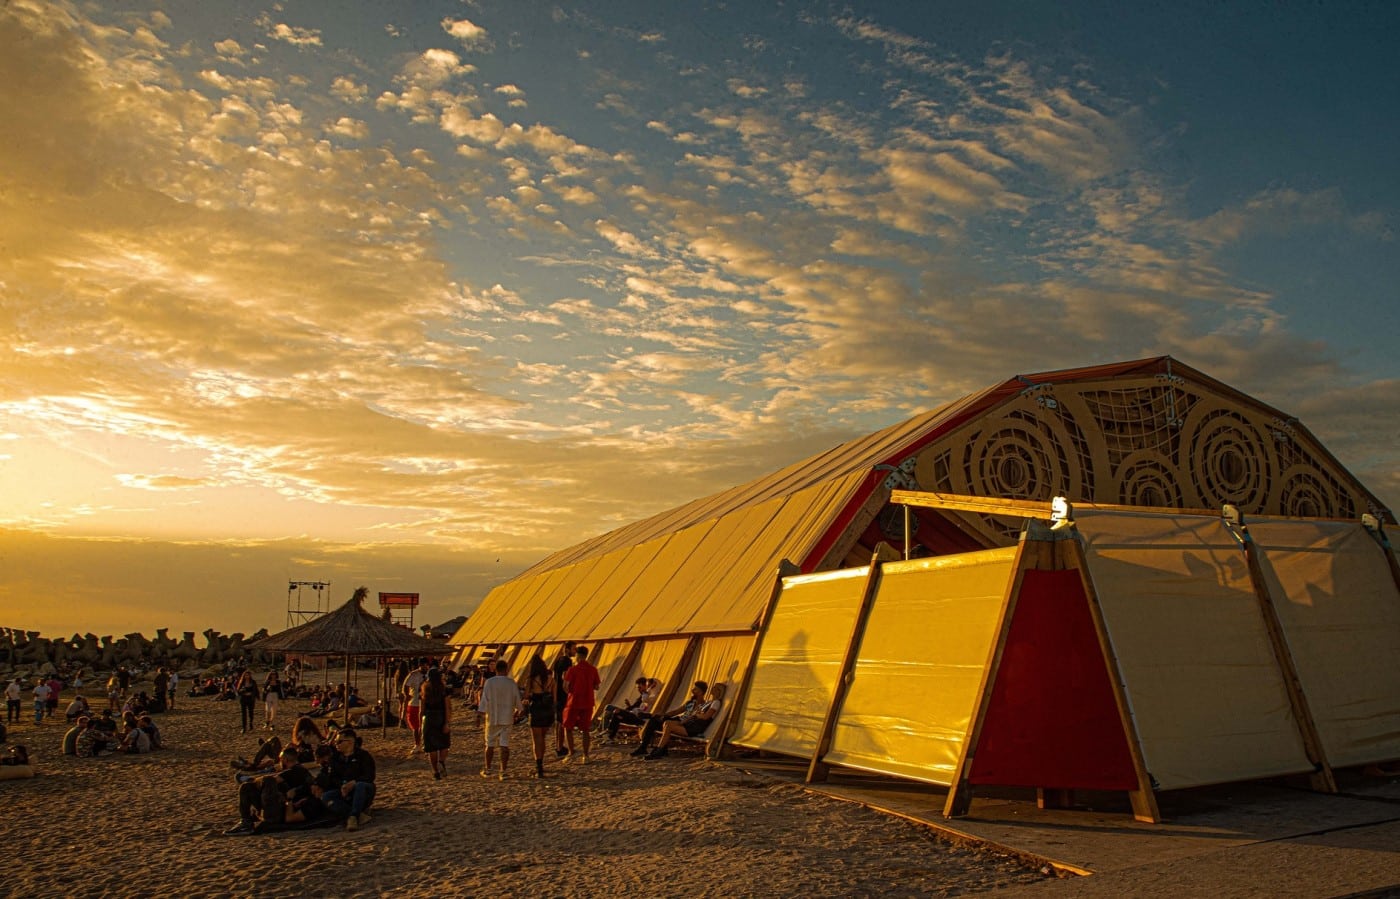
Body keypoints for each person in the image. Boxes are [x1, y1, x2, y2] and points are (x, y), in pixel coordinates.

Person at [225, 747, 314, 835]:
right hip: (286, 807)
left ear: (285, 760)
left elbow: (273, 779)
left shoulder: (294, 771)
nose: (279, 762)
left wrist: (253, 780)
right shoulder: (301, 770)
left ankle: (246, 822)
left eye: (281, 759)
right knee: (257, 783)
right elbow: (277, 776)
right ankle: (246, 821)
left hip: (282, 812)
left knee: (254, 785)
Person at [644, 682, 726, 759]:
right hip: (691, 724)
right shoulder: (709, 702)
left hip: (695, 728)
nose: (712, 688)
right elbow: (693, 713)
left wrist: (696, 714)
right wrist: (687, 719)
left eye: (715, 688)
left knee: (668, 726)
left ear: (719, 692)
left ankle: (659, 750)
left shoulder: (716, 703)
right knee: (666, 722)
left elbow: (705, 717)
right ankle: (660, 749)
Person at [318, 728, 376, 831]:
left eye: (339, 741)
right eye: (335, 741)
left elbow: (369, 776)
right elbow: (332, 777)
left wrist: (353, 783)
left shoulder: (363, 756)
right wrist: (342, 786)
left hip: (361, 790)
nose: (336, 744)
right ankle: (355, 814)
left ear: (350, 742)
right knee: (326, 796)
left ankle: (353, 816)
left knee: (360, 785)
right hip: (343, 790)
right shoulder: (335, 758)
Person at [631, 681, 708, 757]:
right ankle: (644, 747)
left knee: (663, 722)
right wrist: (663, 715)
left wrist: (679, 721)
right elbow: (676, 711)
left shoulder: (702, 706)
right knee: (654, 721)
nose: (692, 690)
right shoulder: (690, 703)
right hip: (678, 720)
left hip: (684, 724)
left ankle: (658, 749)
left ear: (701, 692)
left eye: (695, 689)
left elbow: (695, 718)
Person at [478, 659, 520, 779]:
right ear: (506, 670)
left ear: (496, 670)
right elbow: (517, 700)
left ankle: (488, 768)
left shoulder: (490, 682)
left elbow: (484, 699)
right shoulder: (511, 683)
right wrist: (518, 711)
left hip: (492, 717)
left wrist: (479, 713)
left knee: (489, 744)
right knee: (504, 745)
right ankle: (503, 771)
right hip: (507, 717)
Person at [560, 644, 600, 764]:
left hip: (574, 701)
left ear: (578, 656)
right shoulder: (593, 670)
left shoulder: (572, 670)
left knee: (568, 727)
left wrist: (571, 691)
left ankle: (571, 752)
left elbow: (565, 686)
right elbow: (597, 686)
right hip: (587, 701)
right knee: (585, 729)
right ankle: (585, 755)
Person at [521, 655, 555, 779]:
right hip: (547, 709)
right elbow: (554, 695)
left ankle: (539, 766)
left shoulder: (530, 679)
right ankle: (542, 763)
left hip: (536, 708)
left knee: (536, 739)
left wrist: (529, 695)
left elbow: (525, 695)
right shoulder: (550, 678)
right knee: (543, 737)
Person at [421, 667, 452, 780]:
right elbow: (447, 708)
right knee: (444, 744)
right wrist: (447, 723)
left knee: (431, 747)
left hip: (429, 718)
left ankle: (435, 771)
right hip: (441, 717)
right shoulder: (444, 690)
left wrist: (422, 724)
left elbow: (422, 710)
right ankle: (441, 761)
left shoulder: (425, 690)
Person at [604, 677, 658, 741]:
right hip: (634, 714)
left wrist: (649, 689)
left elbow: (645, 700)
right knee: (616, 715)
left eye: (640, 687)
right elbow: (638, 706)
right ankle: (610, 736)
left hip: (640, 718)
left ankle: (608, 732)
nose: (639, 689)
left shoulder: (651, 696)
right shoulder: (645, 695)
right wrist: (629, 706)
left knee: (614, 710)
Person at [551, 642, 575, 757]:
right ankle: (560, 748)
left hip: (558, 695)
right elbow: (564, 677)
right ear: (567, 649)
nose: (574, 651)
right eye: (573, 649)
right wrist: (568, 692)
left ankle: (558, 745)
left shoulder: (558, 661)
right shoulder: (567, 661)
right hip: (563, 695)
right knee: (562, 722)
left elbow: (555, 680)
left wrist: (554, 696)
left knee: (558, 722)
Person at [401, 659, 430, 750]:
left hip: (427, 703)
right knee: (415, 726)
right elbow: (405, 686)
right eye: (423, 665)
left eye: (426, 665)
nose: (425, 667)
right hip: (414, 703)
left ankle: (425, 743)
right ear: (419, 665)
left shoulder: (430, 675)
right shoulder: (413, 675)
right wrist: (407, 695)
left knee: (426, 725)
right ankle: (417, 744)